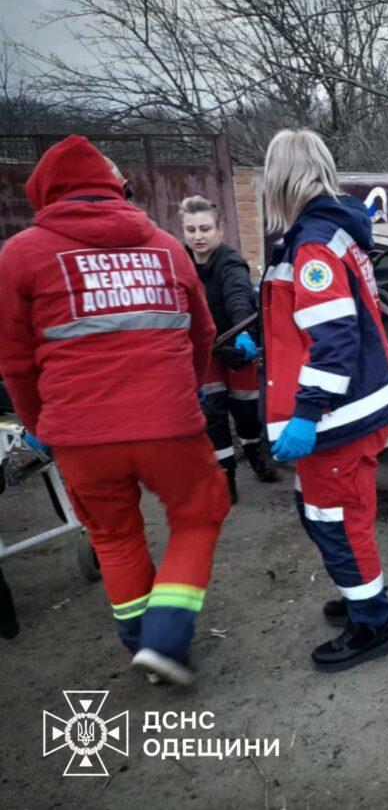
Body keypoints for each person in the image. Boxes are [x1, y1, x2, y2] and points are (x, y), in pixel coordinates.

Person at [0, 135, 231, 685]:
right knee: (199, 513)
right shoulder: (168, 249)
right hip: (169, 426)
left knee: (114, 535)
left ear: (46, 195)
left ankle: (141, 644)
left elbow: (14, 362)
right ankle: (165, 639)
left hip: (80, 435)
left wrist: (40, 426)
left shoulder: (20, 255)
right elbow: (203, 336)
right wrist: (182, 391)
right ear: (118, 189)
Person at [261, 128, 388, 672]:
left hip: (333, 417)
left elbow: (334, 336)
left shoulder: (314, 242)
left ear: (281, 178)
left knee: (338, 521)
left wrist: (304, 411)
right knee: (336, 515)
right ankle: (361, 599)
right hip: (350, 410)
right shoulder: (332, 231)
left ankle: (371, 623)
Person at [180, 195, 278, 501]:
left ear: (219, 230)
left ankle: (256, 456)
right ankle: (225, 476)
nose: (198, 236)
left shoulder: (230, 261)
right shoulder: (180, 262)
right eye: (191, 229)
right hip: (204, 350)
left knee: (247, 408)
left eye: (205, 228)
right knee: (213, 413)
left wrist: (243, 333)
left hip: (236, 345)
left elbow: (238, 296)